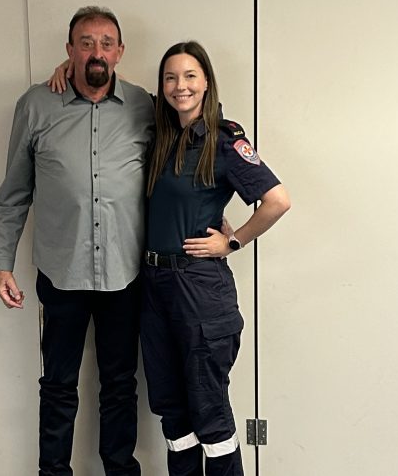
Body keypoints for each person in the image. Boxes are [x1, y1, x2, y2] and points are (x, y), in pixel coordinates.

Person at [0, 6, 154, 476]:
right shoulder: (36, 106)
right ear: (69, 51)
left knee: (121, 385)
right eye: (85, 43)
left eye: (106, 43)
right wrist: (3, 263)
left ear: (120, 52)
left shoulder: (144, 107)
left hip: (125, 276)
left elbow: (187, 142)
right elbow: (13, 193)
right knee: (58, 385)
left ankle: (119, 470)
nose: (96, 52)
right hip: (61, 274)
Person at [140, 41, 290, 475]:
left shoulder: (224, 141)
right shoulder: (161, 134)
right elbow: (109, 87)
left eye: (189, 76)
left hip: (199, 291)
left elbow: (277, 200)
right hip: (154, 289)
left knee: (209, 412)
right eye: (170, 77)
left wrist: (234, 241)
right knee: (172, 412)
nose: (179, 86)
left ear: (206, 82)